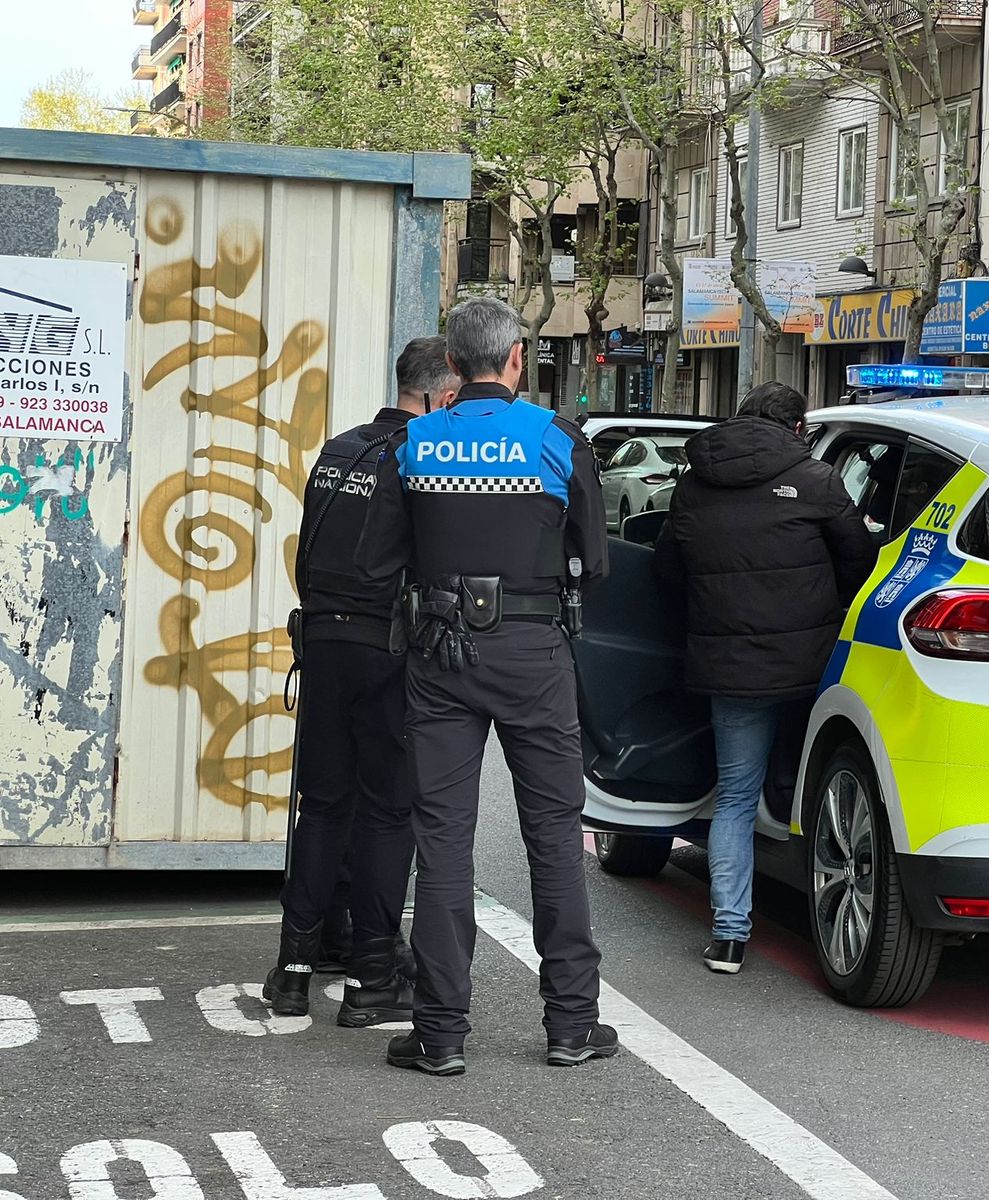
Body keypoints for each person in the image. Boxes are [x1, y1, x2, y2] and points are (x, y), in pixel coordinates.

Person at [357, 296, 613, 1076]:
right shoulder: (557, 439)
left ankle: (439, 1035)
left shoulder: (413, 444)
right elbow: (597, 562)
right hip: (535, 653)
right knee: (554, 837)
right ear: (515, 360)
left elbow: (375, 563)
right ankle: (572, 1026)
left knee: (442, 842)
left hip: (440, 653)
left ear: (452, 363)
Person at [264, 336, 460, 1026]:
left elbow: (306, 552)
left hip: (322, 640)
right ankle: (372, 974)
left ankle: (293, 969)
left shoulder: (339, 450)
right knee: (386, 813)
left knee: (320, 807)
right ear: (442, 395)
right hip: (388, 648)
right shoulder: (423, 457)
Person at [653, 381, 876, 974]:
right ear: (798, 428)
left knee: (734, 795)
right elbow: (860, 559)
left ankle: (729, 936)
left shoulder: (694, 482)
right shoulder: (817, 479)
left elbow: (667, 569)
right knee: (816, 778)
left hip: (729, 668)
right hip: (812, 664)